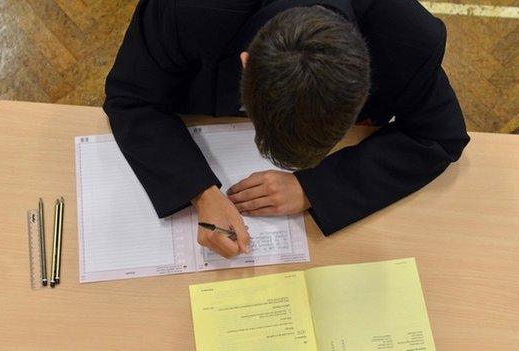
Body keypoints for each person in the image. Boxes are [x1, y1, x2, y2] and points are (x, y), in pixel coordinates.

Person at [103, 0, 470, 259]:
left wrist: (313, 185)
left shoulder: (409, 37)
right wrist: (199, 190)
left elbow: (440, 134)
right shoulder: (189, 8)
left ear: (364, 85)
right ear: (245, 64)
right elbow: (132, 95)